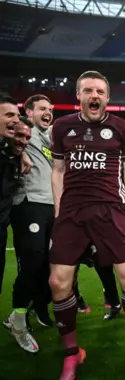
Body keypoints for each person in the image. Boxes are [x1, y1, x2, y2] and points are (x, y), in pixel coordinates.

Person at [48, 70, 125, 380]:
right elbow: (58, 170)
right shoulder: (62, 127)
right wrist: (58, 210)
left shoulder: (123, 128)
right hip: (73, 212)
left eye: (100, 92)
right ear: (78, 95)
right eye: (88, 91)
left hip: (112, 210)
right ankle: (71, 353)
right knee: (57, 282)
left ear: (108, 97)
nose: (95, 96)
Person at [10, 95, 54, 330]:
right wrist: (21, 152)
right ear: (28, 113)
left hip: (51, 206)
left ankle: (40, 307)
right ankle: (18, 313)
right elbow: (8, 137)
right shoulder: (23, 131)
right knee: (32, 261)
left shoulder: (48, 138)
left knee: (50, 264)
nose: (49, 112)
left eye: (51, 109)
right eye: (43, 109)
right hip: (29, 203)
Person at [2, 117, 38, 352]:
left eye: (27, 138)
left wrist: (20, 153)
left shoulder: (16, 159)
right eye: (19, 135)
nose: (23, 141)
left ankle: (17, 321)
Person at [0, 94, 23, 297]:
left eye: (17, 115)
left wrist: (22, 153)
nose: (16, 120)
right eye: (9, 115)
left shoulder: (9, 154)